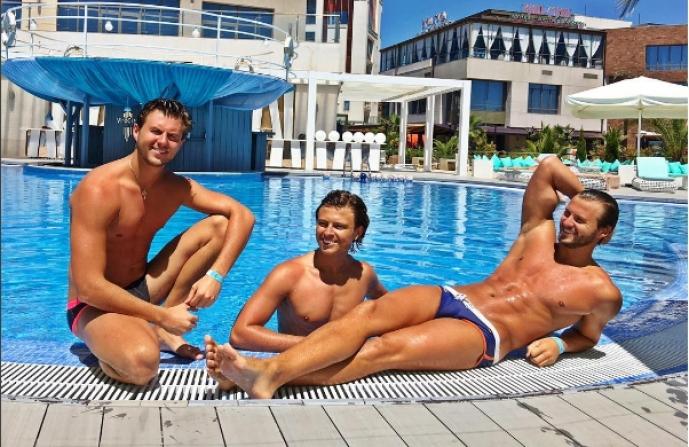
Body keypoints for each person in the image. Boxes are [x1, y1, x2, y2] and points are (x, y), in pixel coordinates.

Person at [205, 156, 622, 399]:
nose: (568, 221)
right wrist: (591, 196)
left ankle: (266, 374)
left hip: (485, 333)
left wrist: (559, 343)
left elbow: (588, 337)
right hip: (453, 296)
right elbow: (548, 167)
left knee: (382, 350)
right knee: (366, 317)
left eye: (581, 220)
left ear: (604, 234)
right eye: (569, 212)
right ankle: (261, 373)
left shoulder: (601, 292)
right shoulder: (539, 232)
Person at [67, 98, 255, 386]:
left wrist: (215, 276)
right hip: (93, 305)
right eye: (155, 131)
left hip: (141, 289)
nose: (163, 142)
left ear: (181, 143)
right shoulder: (99, 189)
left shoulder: (175, 187)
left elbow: (242, 215)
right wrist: (162, 316)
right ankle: (136, 333)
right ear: (136, 131)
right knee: (142, 366)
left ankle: (160, 330)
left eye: (172, 136)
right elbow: (89, 287)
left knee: (220, 226)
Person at [208, 191, 386, 389]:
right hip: (291, 374)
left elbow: (393, 312)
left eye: (339, 226)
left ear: (357, 232)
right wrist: (319, 346)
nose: (327, 233)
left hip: (344, 375)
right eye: (322, 223)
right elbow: (240, 333)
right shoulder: (290, 274)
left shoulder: (364, 275)